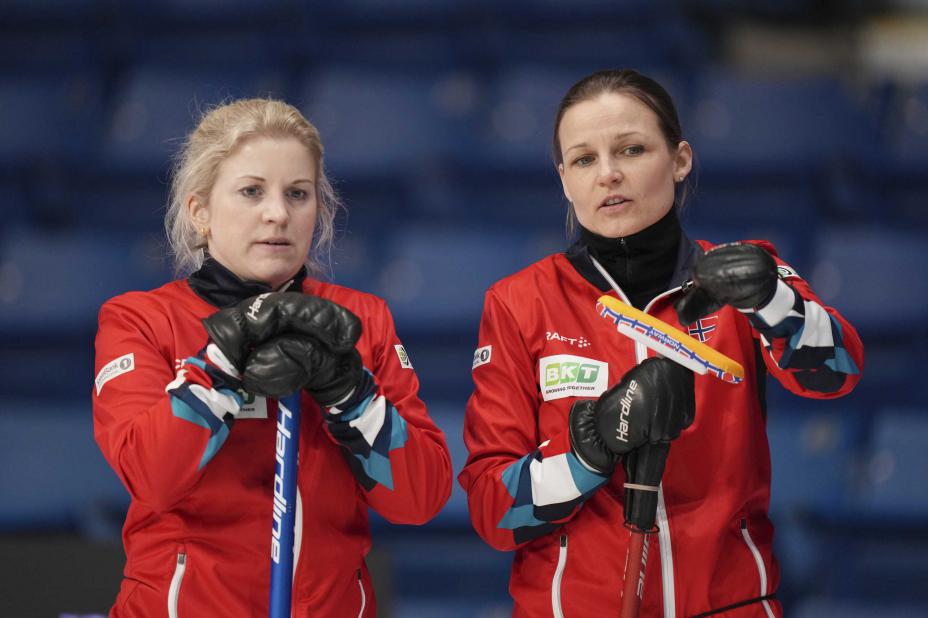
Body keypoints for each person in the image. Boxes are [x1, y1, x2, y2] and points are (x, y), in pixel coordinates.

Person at [459, 69, 863, 617]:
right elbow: (493, 511)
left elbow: (838, 371)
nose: (608, 173)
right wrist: (589, 453)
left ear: (680, 159)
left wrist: (772, 301)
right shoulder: (520, 302)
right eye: (584, 159)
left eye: (632, 149)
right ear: (564, 180)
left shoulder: (744, 276)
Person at [92, 98, 452, 617]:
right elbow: (152, 477)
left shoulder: (361, 319)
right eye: (251, 191)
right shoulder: (142, 319)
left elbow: (420, 498)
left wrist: (350, 394)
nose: (278, 214)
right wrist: (221, 363)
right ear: (199, 212)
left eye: (297, 194)